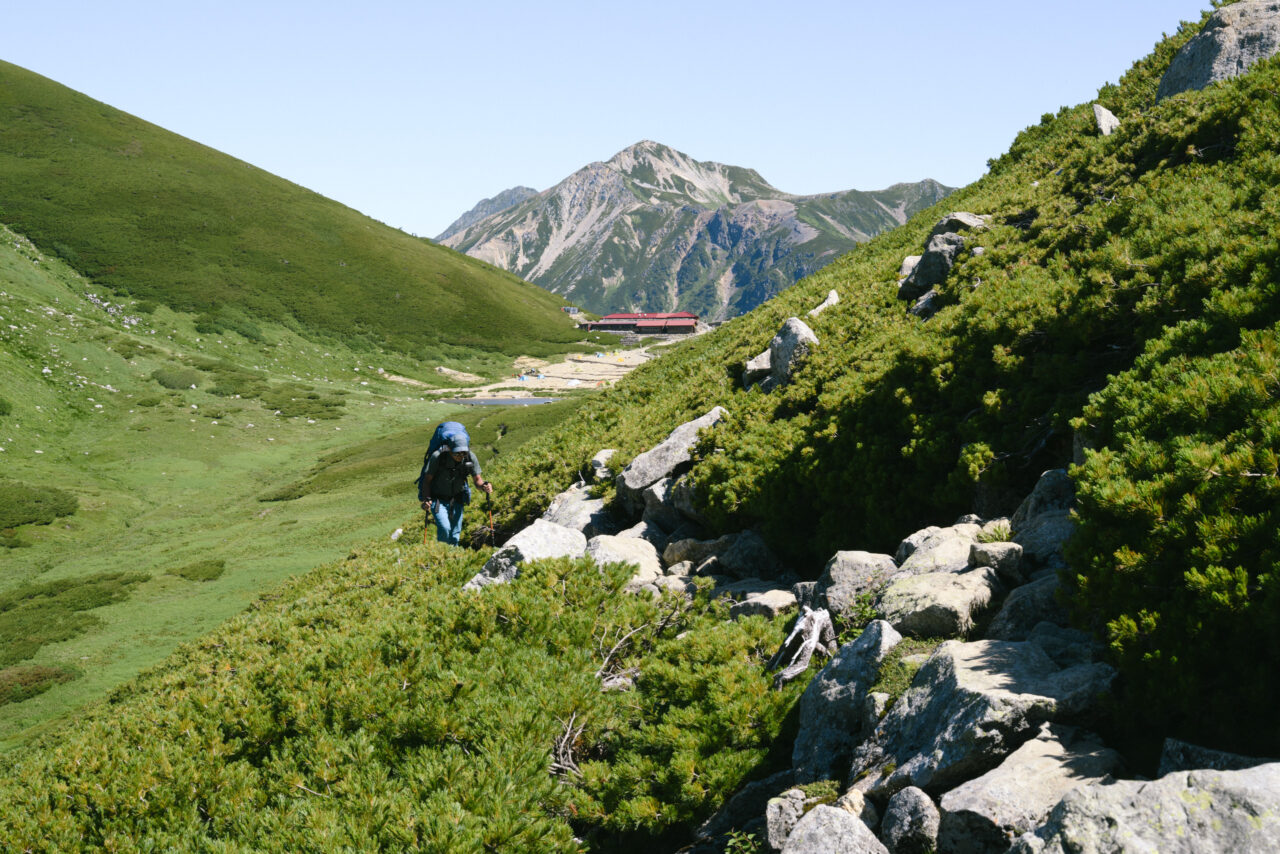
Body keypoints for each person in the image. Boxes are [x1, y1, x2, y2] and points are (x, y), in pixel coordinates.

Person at [419, 436, 492, 545]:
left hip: (458, 498)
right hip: (438, 500)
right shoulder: (438, 457)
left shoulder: (470, 457)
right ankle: (441, 555)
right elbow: (427, 481)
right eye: (457, 453)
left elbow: (477, 480)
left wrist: (483, 486)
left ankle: (452, 556)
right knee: (444, 528)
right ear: (449, 450)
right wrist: (426, 499)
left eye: (463, 453)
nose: (460, 456)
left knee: (455, 534)